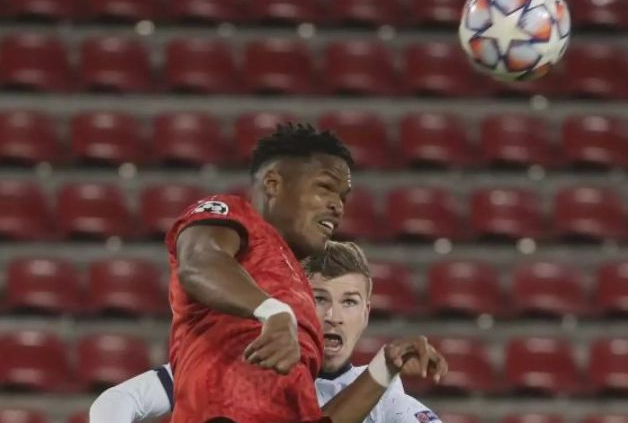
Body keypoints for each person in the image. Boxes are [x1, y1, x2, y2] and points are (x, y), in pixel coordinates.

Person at [160, 124, 446, 423]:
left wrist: (384, 368)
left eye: (343, 197)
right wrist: (273, 312)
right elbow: (199, 263)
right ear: (273, 183)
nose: (337, 206)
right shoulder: (233, 217)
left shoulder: (299, 292)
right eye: (324, 187)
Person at [89, 241, 443, 423]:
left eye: (349, 302)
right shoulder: (236, 365)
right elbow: (116, 402)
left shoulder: (384, 393)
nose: (334, 315)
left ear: (366, 313)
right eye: (320, 299)